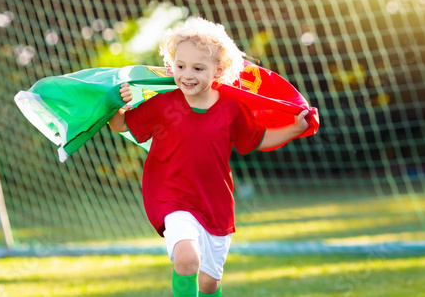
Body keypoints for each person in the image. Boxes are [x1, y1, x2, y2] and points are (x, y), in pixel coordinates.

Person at [108, 17, 309, 297]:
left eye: (198, 68)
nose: (187, 75)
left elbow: (258, 139)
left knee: (209, 283)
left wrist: (295, 128)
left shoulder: (231, 107)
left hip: (215, 203)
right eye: (180, 66)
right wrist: (115, 103)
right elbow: (120, 124)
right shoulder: (162, 104)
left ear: (219, 70)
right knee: (187, 258)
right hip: (172, 197)